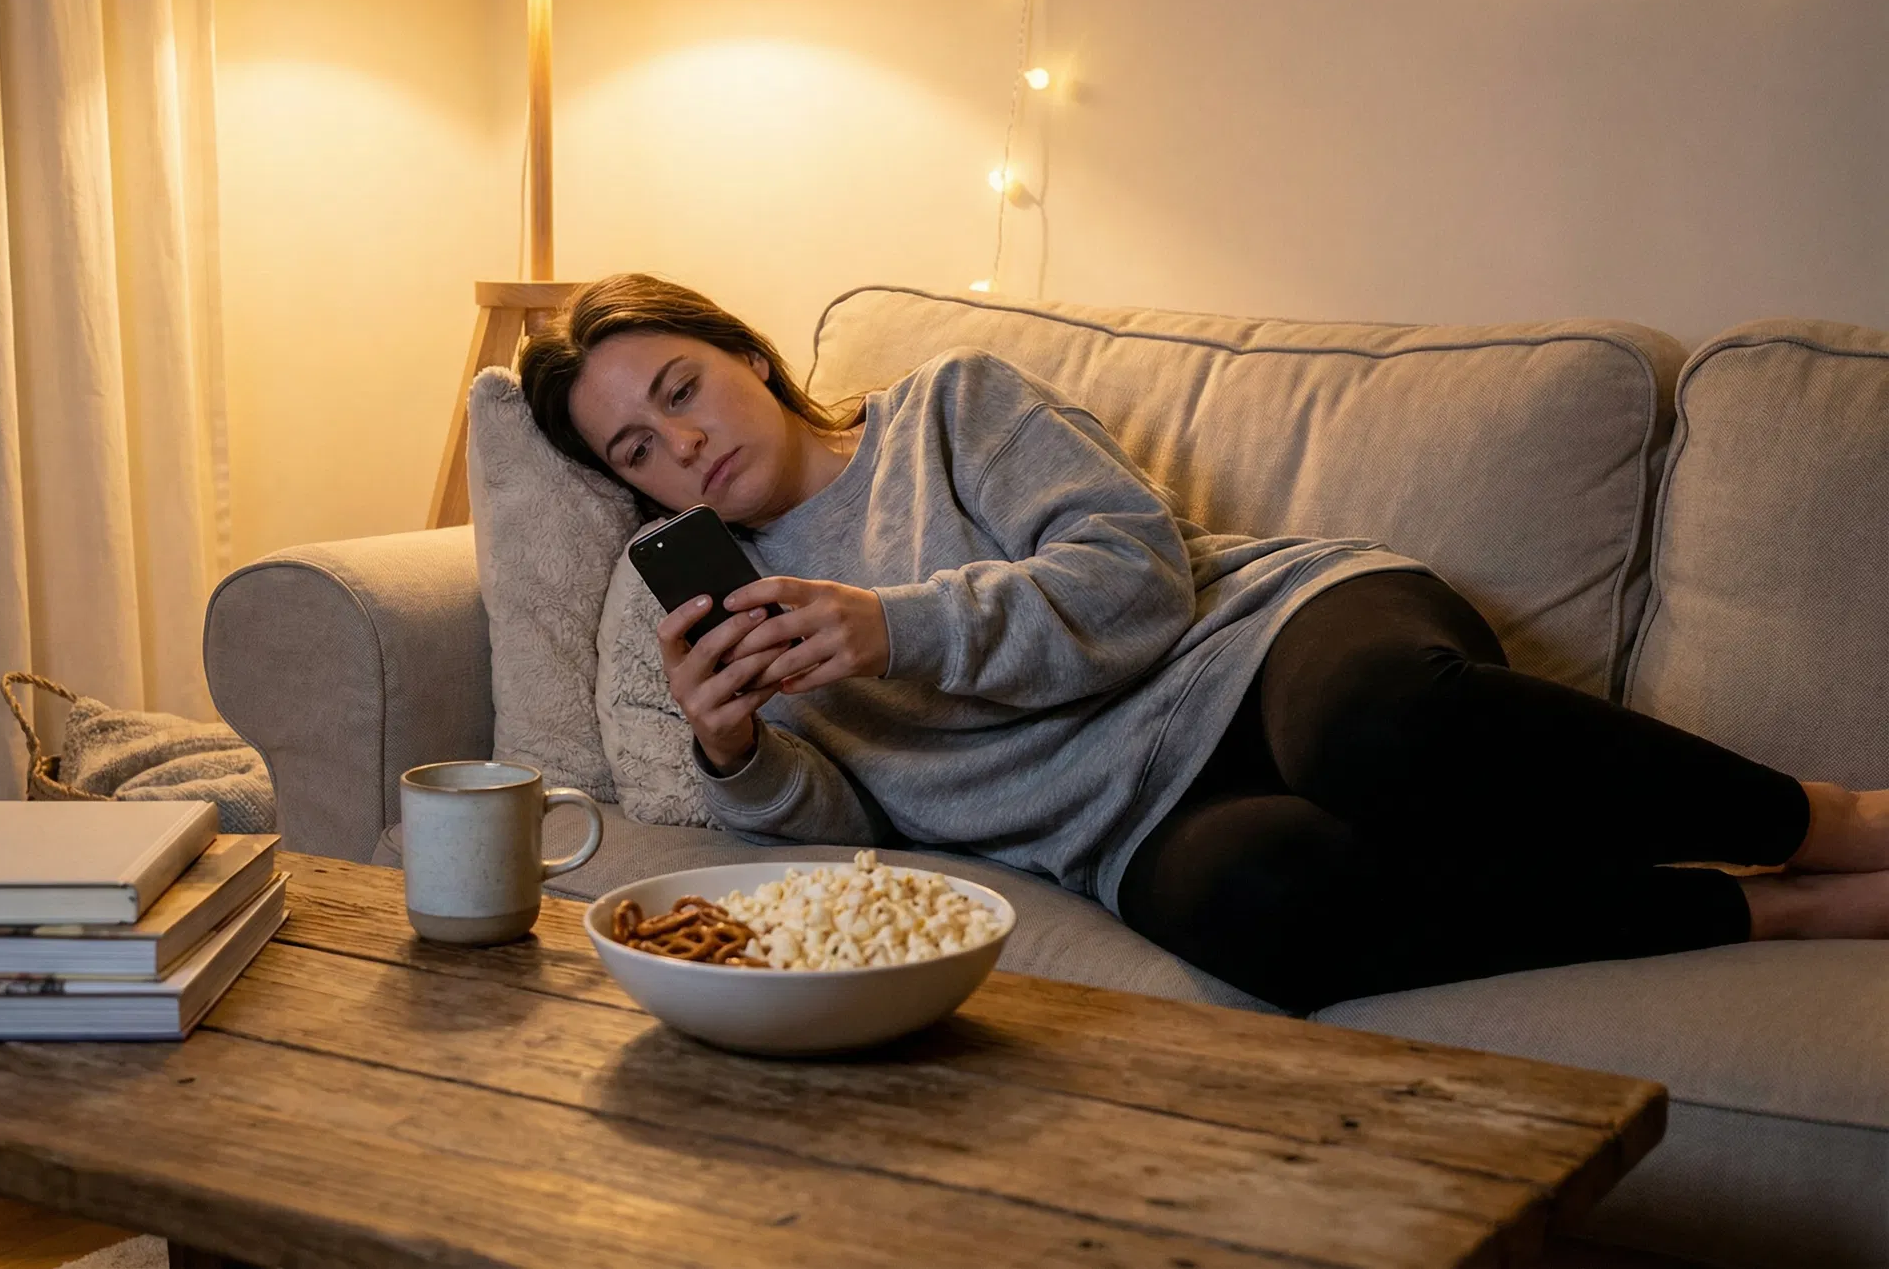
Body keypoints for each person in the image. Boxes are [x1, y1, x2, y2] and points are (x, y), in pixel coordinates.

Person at [520, 273, 1889, 1013]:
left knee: (1379, 730)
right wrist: (736, 750)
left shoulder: (947, 406)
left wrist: (895, 625)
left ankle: (1825, 821)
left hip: (1260, 640)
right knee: (1265, 911)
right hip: (1121, 817)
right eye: (640, 446)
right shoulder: (723, 605)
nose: (684, 440)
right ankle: (1775, 906)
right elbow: (850, 841)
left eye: (681, 387)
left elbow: (1136, 579)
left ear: (744, 355)